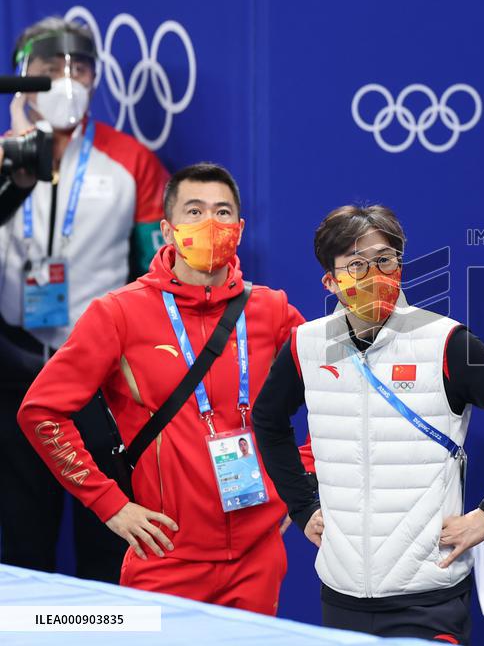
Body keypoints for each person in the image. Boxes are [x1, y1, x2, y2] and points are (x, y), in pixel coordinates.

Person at [252, 204, 484, 643]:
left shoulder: (448, 342)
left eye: (384, 259)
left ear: (400, 264)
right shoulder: (307, 344)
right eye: (355, 264)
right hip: (341, 595)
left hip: (429, 596)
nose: (373, 273)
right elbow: (267, 422)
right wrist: (302, 508)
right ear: (331, 281)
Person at [17, 163, 305, 615]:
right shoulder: (119, 313)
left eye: (223, 212)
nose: (211, 223)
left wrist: (300, 483)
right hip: (165, 556)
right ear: (167, 230)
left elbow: (342, 399)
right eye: (194, 211)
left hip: (257, 557)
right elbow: (41, 411)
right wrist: (110, 505)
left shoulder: (272, 310)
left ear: (240, 228)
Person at [0, 16, 169, 584]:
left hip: (100, 372)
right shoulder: (3, 158)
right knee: (22, 539)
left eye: (81, 68)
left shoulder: (132, 161)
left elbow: (157, 270)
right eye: (50, 69)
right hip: (14, 364)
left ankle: (105, 634)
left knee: (111, 539)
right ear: (23, 77)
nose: (68, 80)